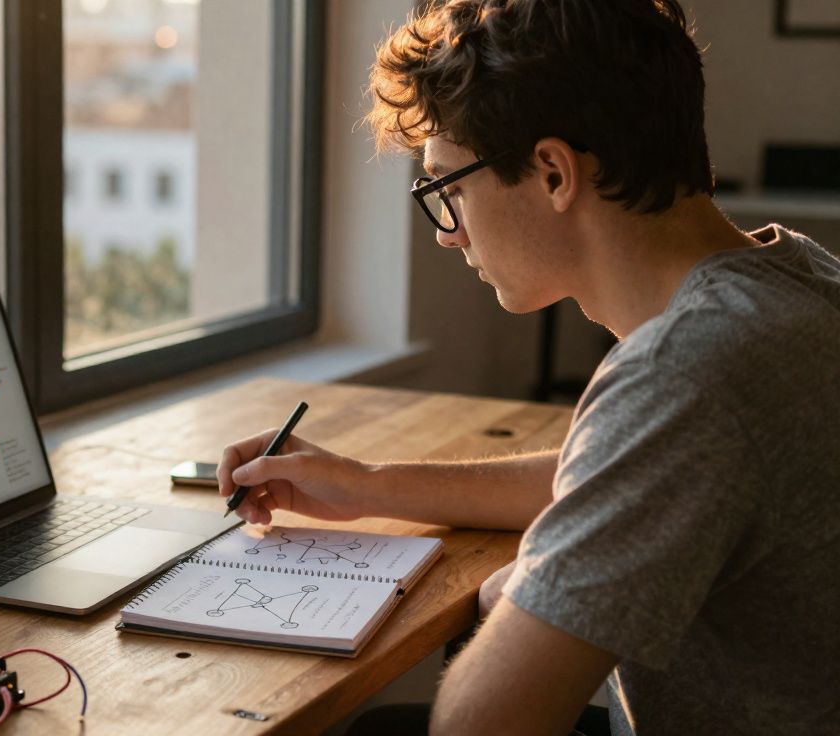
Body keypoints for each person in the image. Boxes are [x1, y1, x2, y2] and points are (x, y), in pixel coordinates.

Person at [217, 1, 840, 734]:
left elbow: (480, 724)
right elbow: (624, 472)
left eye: (449, 188)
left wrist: (524, 587)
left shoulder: (686, 374)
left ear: (552, 172)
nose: (449, 235)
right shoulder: (799, 273)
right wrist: (369, 485)